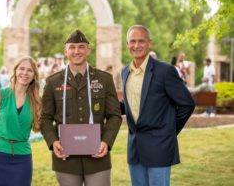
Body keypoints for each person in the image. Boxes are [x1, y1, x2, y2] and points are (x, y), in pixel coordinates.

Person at [41, 29, 122, 186]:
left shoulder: (104, 79)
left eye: (81, 46)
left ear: (88, 50)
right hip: (66, 158)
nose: (76, 51)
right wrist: (53, 142)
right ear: (66, 51)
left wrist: (106, 141)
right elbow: (45, 118)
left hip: (98, 157)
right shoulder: (53, 82)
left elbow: (114, 115)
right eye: (72, 47)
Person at [121, 25, 195, 186]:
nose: (136, 45)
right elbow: (130, 103)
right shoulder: (125, 72)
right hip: (135, 148)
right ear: (127, 44)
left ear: (150, 43)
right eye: (132, 41)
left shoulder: (165, 71)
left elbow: (187, 104)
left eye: (141, 41)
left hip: (159, 147)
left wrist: (169, 130)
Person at [0, 56, 41, 186]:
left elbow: (43, 125)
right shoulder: (0, 95)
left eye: (29, 70)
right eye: (21, 69)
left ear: (34, 75)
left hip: (22, 159)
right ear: (15, 71)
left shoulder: (37, 101)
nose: (25, 73)